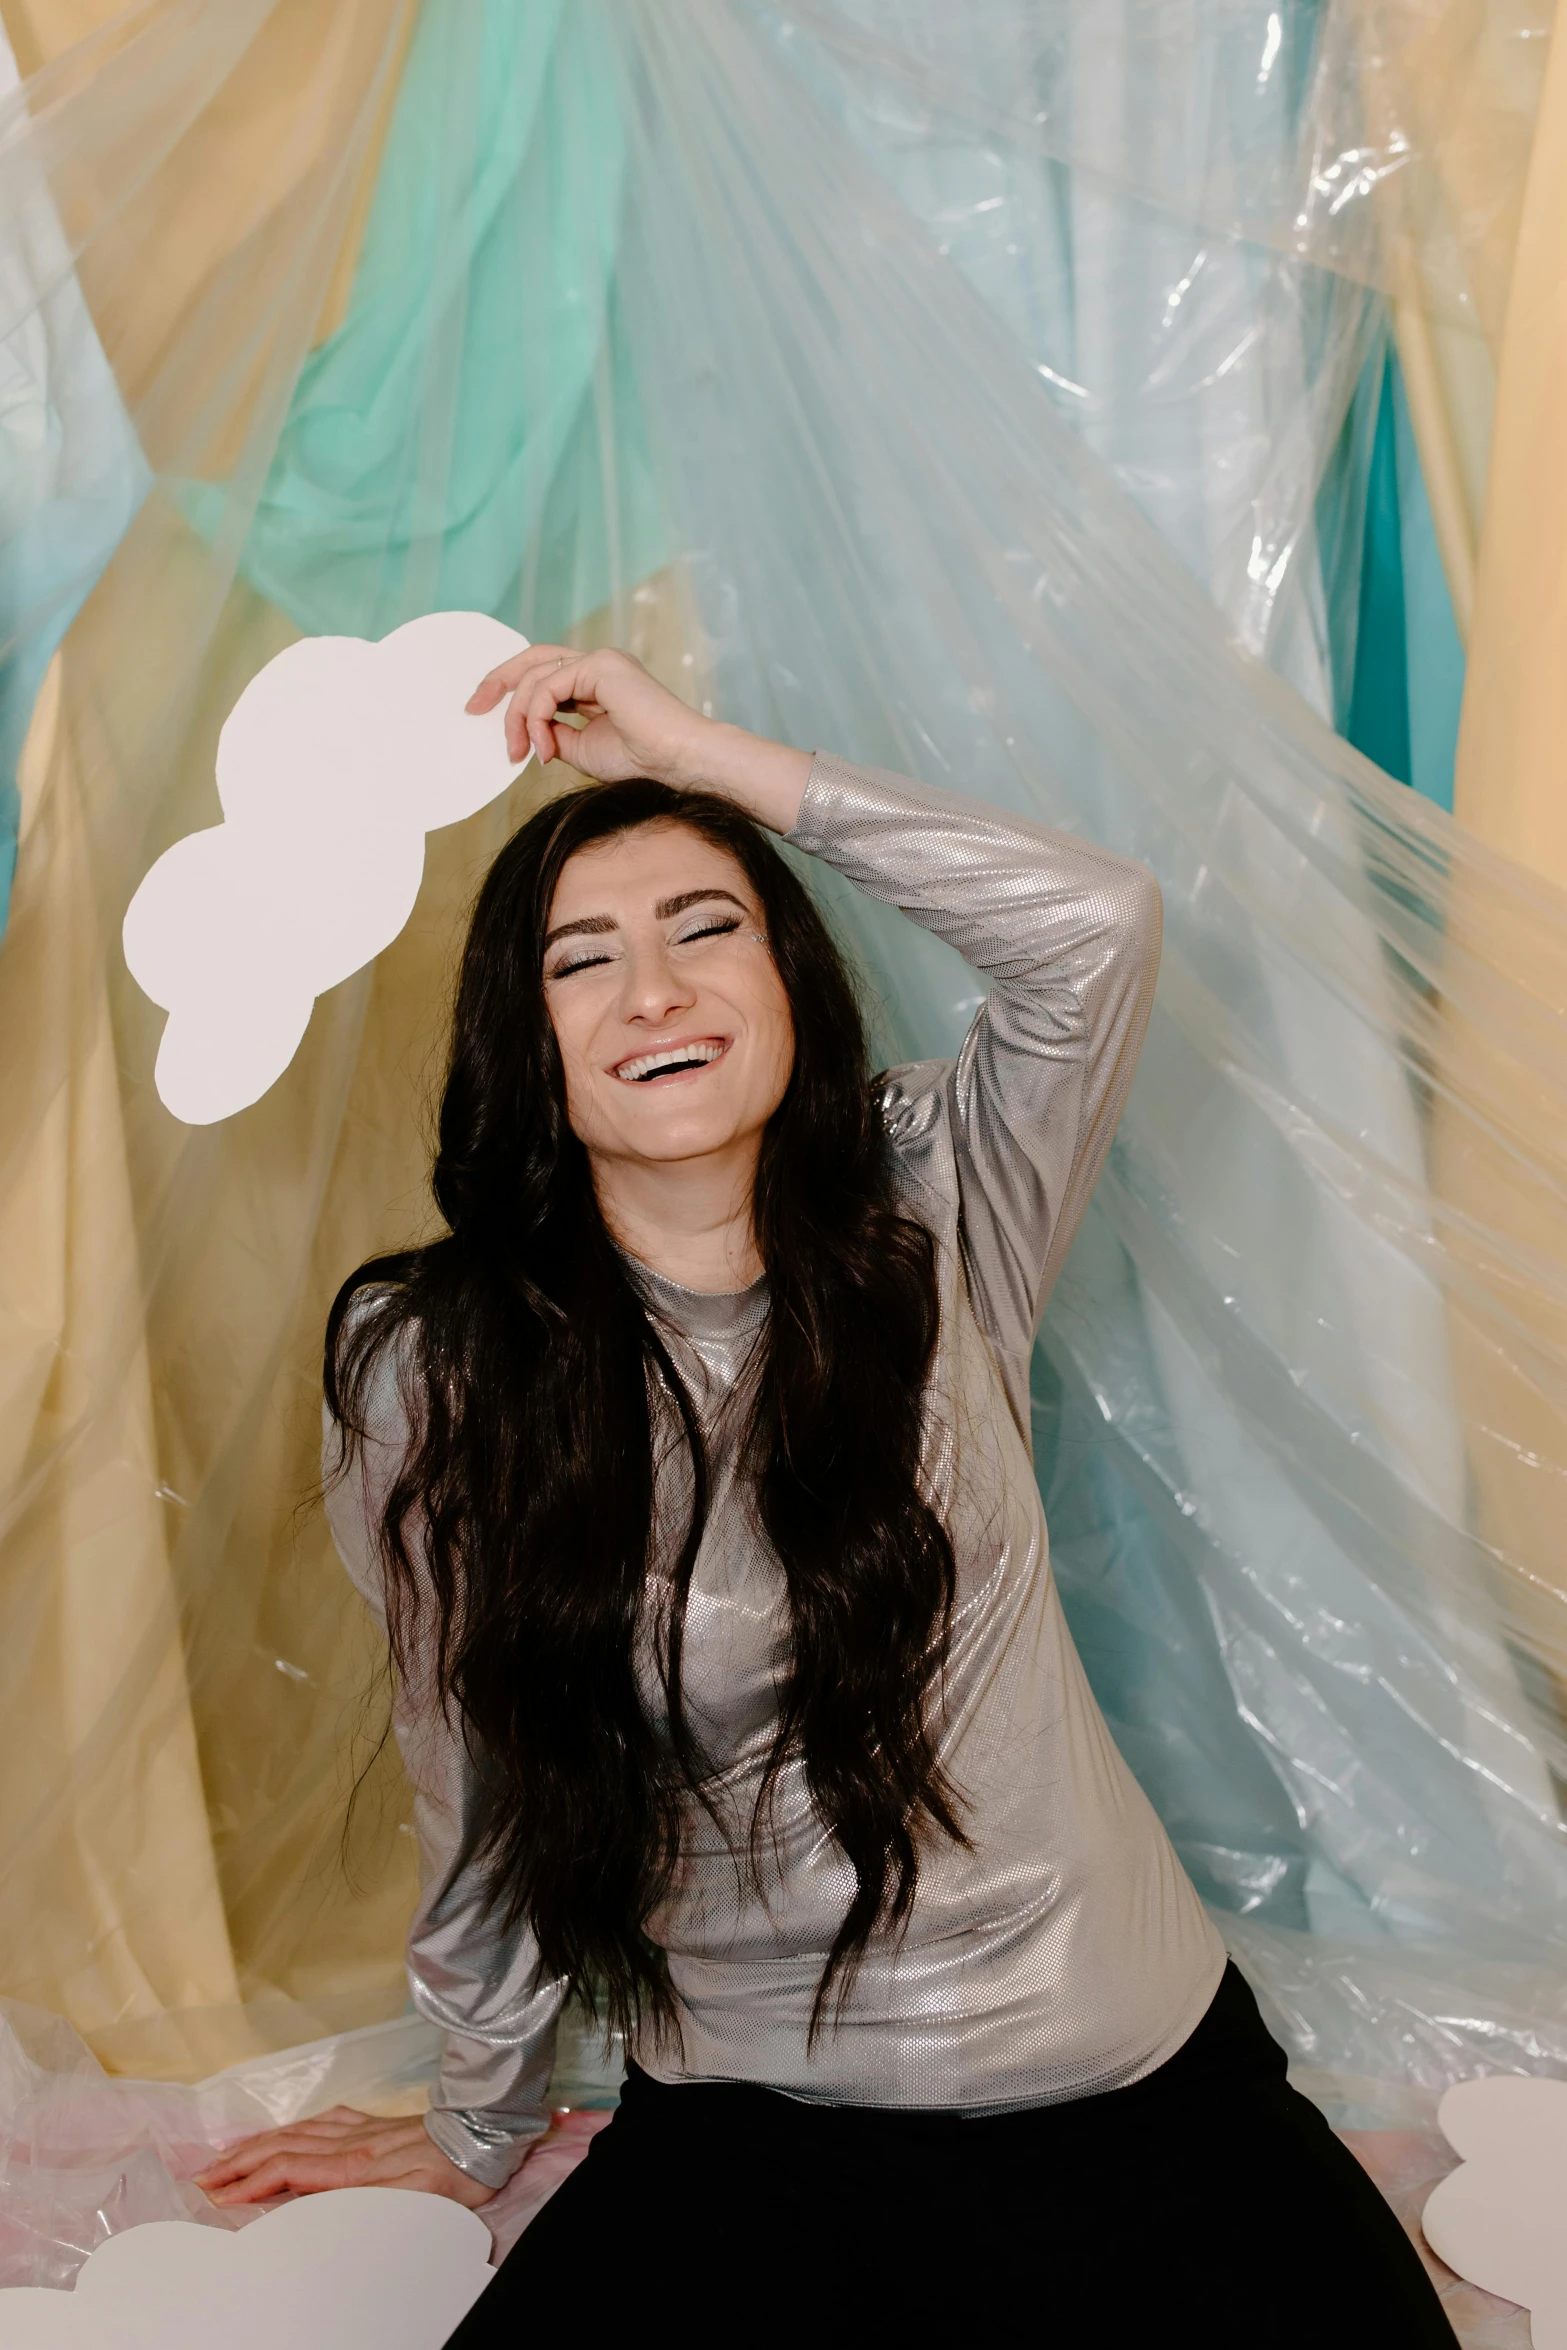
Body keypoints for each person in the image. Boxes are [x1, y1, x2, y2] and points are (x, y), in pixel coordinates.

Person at [196, 648, 1456, 2343]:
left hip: (1135, 2089)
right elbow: (472, 1764)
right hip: (754, 2124)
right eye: (585, 961)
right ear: (527, 1051)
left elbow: (1095, 926)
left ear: (790, 982)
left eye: (706, 927)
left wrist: (699, 756)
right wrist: (472, 2116)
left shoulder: (938, 1202)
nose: (655, 991)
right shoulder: (433, 1363)